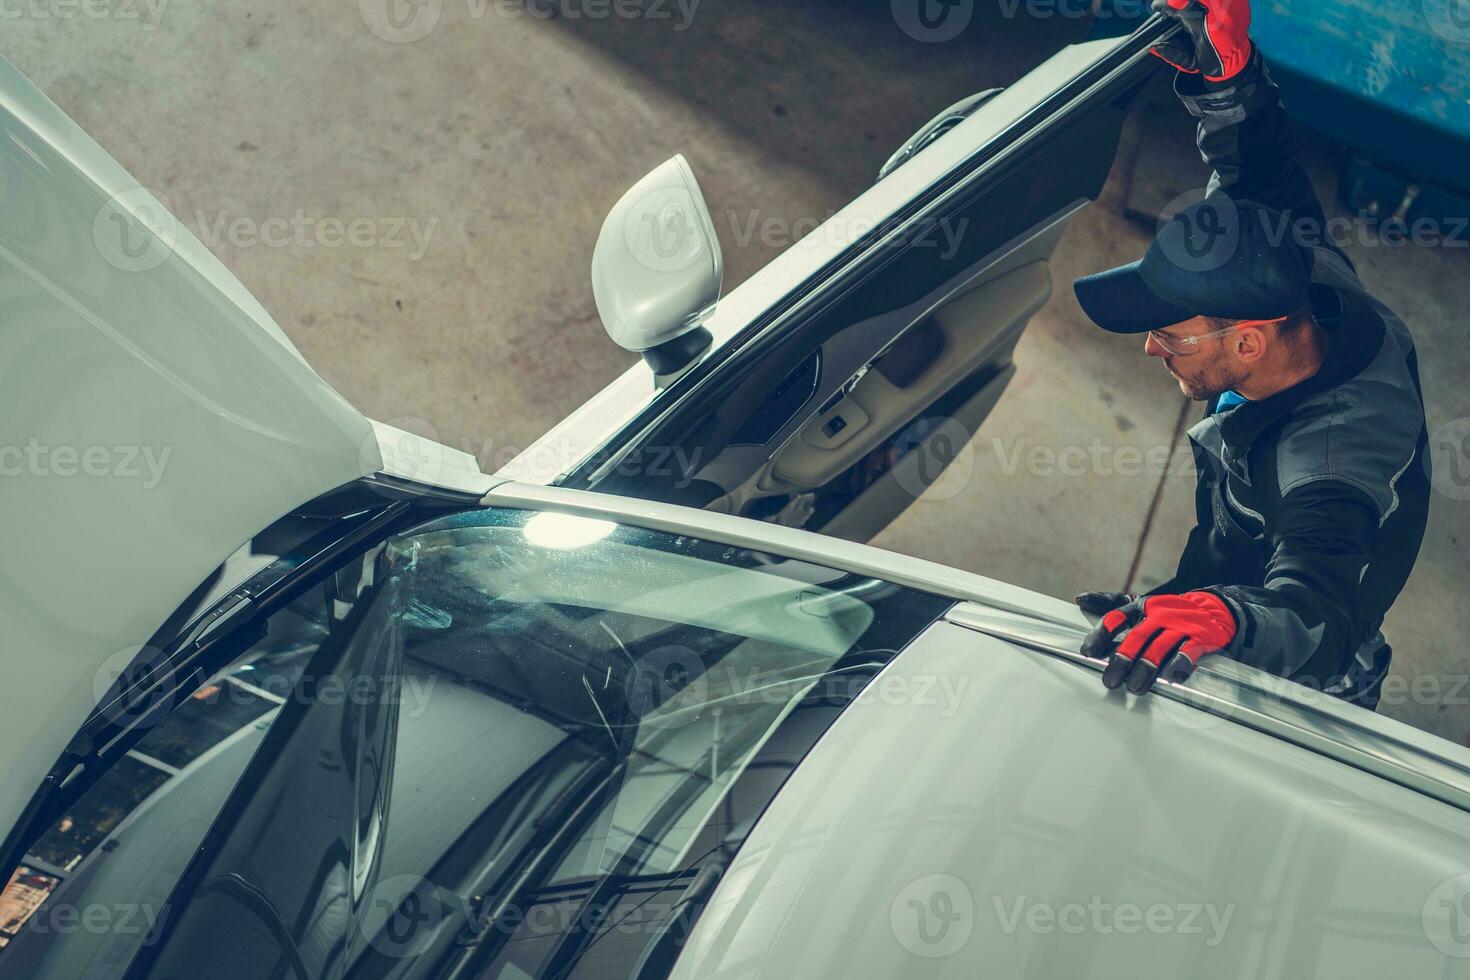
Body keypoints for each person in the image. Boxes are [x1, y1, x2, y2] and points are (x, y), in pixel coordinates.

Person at [1069, 0, 1431, 709]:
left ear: (1246, 341)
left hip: (1304, 666)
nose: (1149, 347)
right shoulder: (1296, 272)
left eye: (1170, 336)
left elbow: (1314, 615)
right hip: (1235, 569)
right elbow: (1258, 170)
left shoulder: (1333, 461)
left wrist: (1223, 619)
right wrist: (1226, 78)